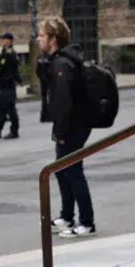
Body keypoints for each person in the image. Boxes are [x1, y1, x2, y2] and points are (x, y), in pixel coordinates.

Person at [41, 18, 95, 237]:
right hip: (71, 125)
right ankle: (67, 216)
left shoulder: (62, 63)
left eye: (42, 35)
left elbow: (63, 101)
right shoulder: (57, 60)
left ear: (53, 39)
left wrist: (62, 132)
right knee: (63, 171)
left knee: (73, 172)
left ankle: (86, 222)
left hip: (73, 126)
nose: (38, 39)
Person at [0, 32, 21, 139]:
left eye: (3, 39)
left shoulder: (10, 53)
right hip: (4, 85)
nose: (1, 41)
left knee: (10, 109)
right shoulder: (5, 51)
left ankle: (14, 131)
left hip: (8, 84)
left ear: (9, 40)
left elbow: (2, 67)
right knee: (2, 109)